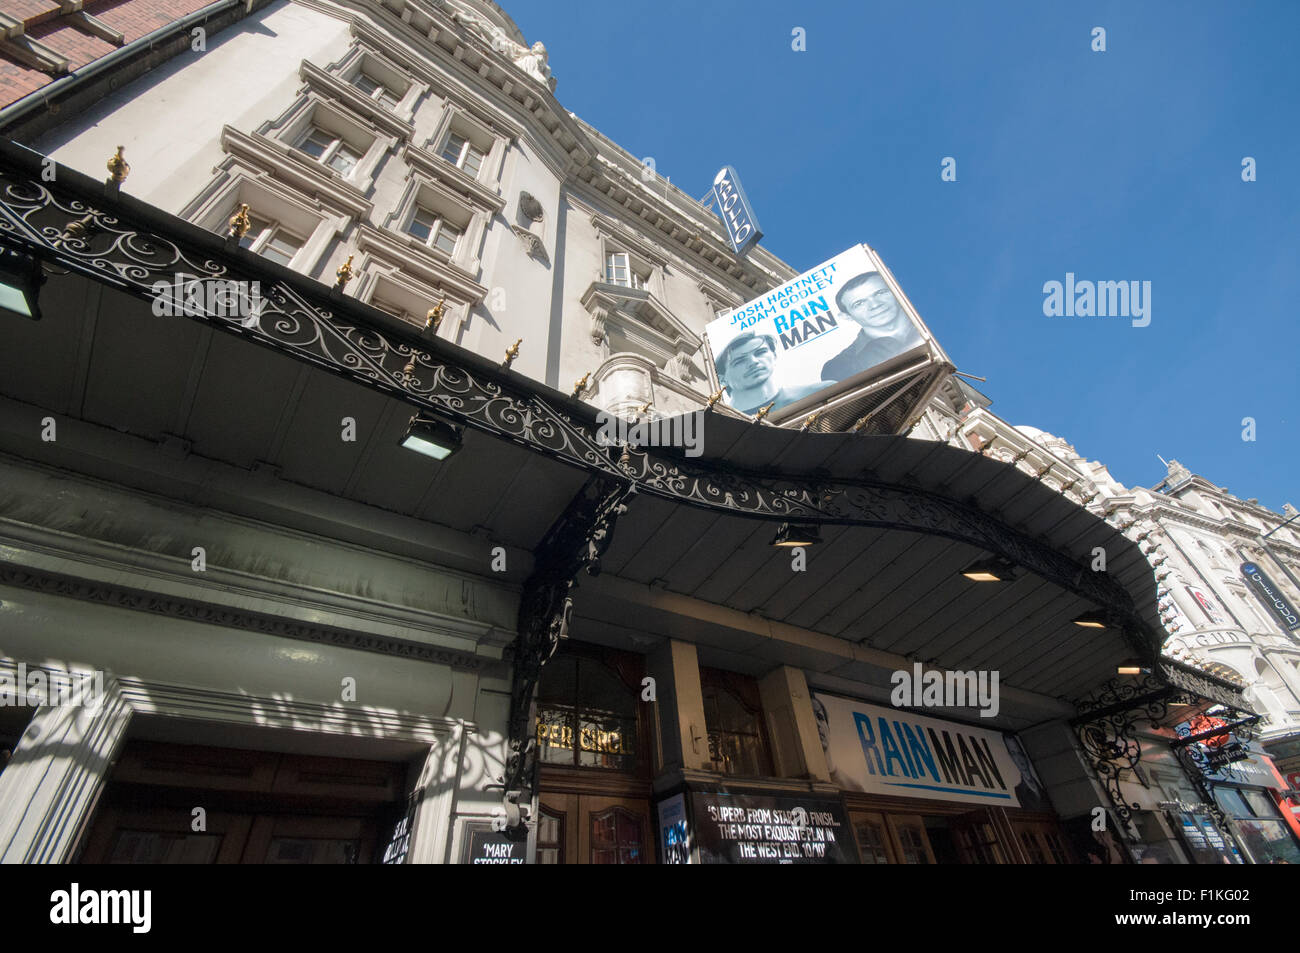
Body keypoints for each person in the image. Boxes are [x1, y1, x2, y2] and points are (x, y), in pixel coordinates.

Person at [820, 271, 923, 383]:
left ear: (896, 290)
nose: (875, 305)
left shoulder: (934, 318)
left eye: (880, 293)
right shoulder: (838, 368)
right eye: (859, 303)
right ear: (846, 316)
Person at [715, 331, 829, 415]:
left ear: (774, 356)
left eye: (760, 352)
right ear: (722, 379)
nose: (753, 362)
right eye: (739, 361)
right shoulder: (722, 424)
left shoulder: (821, 391)